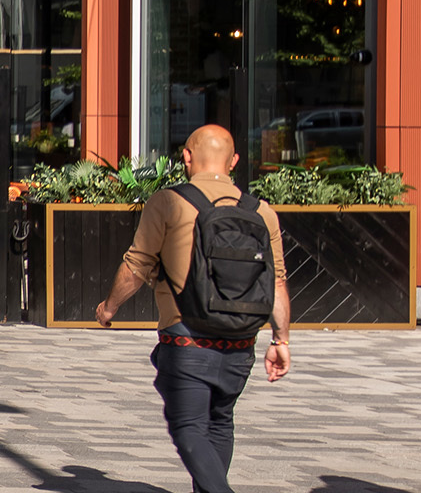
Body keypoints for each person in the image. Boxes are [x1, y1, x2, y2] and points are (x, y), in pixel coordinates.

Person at [94, 125, 290, 493]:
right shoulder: (263, 212)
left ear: (186, 156)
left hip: (187, 341)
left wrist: (108, 308)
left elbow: (136, 267)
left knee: (188, 427)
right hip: (240, 343)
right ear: (233, 162)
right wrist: (281, 340)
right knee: (220, 422)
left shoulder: (169, 202)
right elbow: (277, 281)